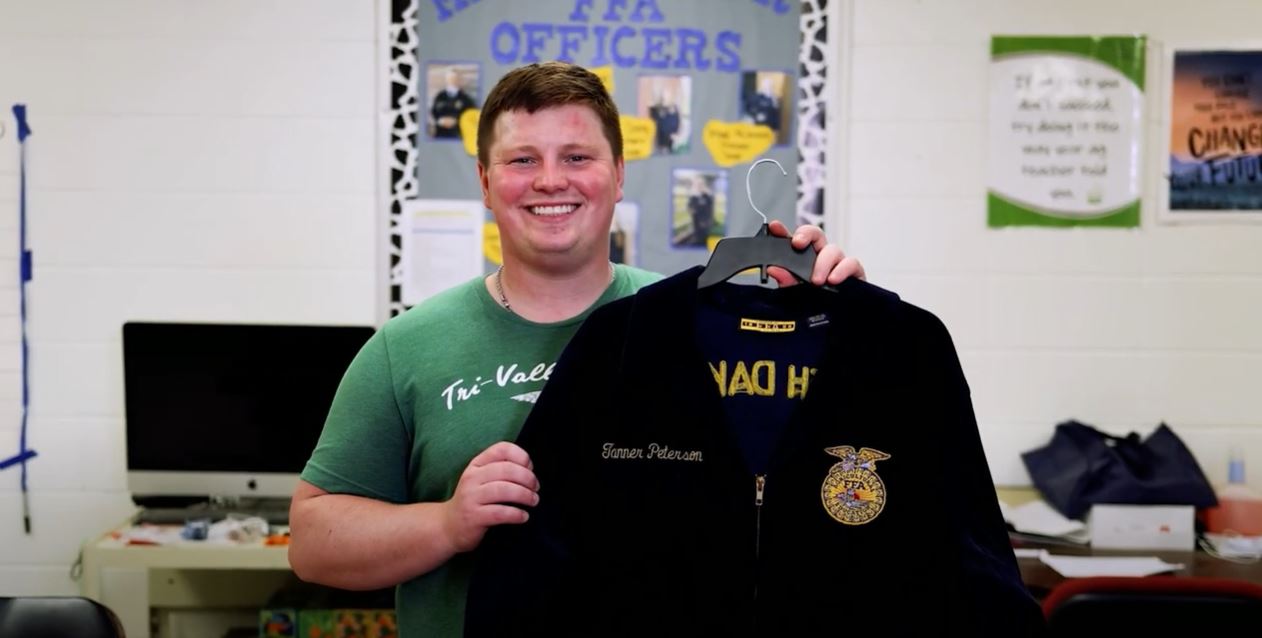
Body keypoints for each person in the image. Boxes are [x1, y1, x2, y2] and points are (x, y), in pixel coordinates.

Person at [288, 61, 865, 638]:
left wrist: (832, 331)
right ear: (486, 182)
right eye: (522, 160)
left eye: (576, 157)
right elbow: (312, 544)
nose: (550, 180)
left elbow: (804, 492)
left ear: (617, 175)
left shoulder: (697, 326)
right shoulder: (406, 345)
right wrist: (446, 524)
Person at [430, 67, 476, 139]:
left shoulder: (466, 98)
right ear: (447, 80)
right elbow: (433, 111)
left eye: (455, 79)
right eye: (450, 78)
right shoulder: (439, 96)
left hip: (458, 134)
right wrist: (441, 120)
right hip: (441, 133)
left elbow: (471, 114)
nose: (452, 81)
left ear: (458, 80)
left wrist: (456, 121)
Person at [647, 88, 680, 154]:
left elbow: (677, 123)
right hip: (659, 144)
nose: (664, 99)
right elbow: (654, 117)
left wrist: (676, 134)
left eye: (666, 97)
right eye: (662, 98)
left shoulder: (674, 110)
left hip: (670, 143)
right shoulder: (656, 110)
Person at [685, 174, 715, 246]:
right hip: (697, 224)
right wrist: (692, 210)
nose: (699, 186)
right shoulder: (693, 197)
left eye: (701, 184)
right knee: (698, 238)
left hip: (705, 224)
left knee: (703, 239)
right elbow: (689, 208)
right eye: (697, 184)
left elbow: (709, 208)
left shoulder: (707, 196)